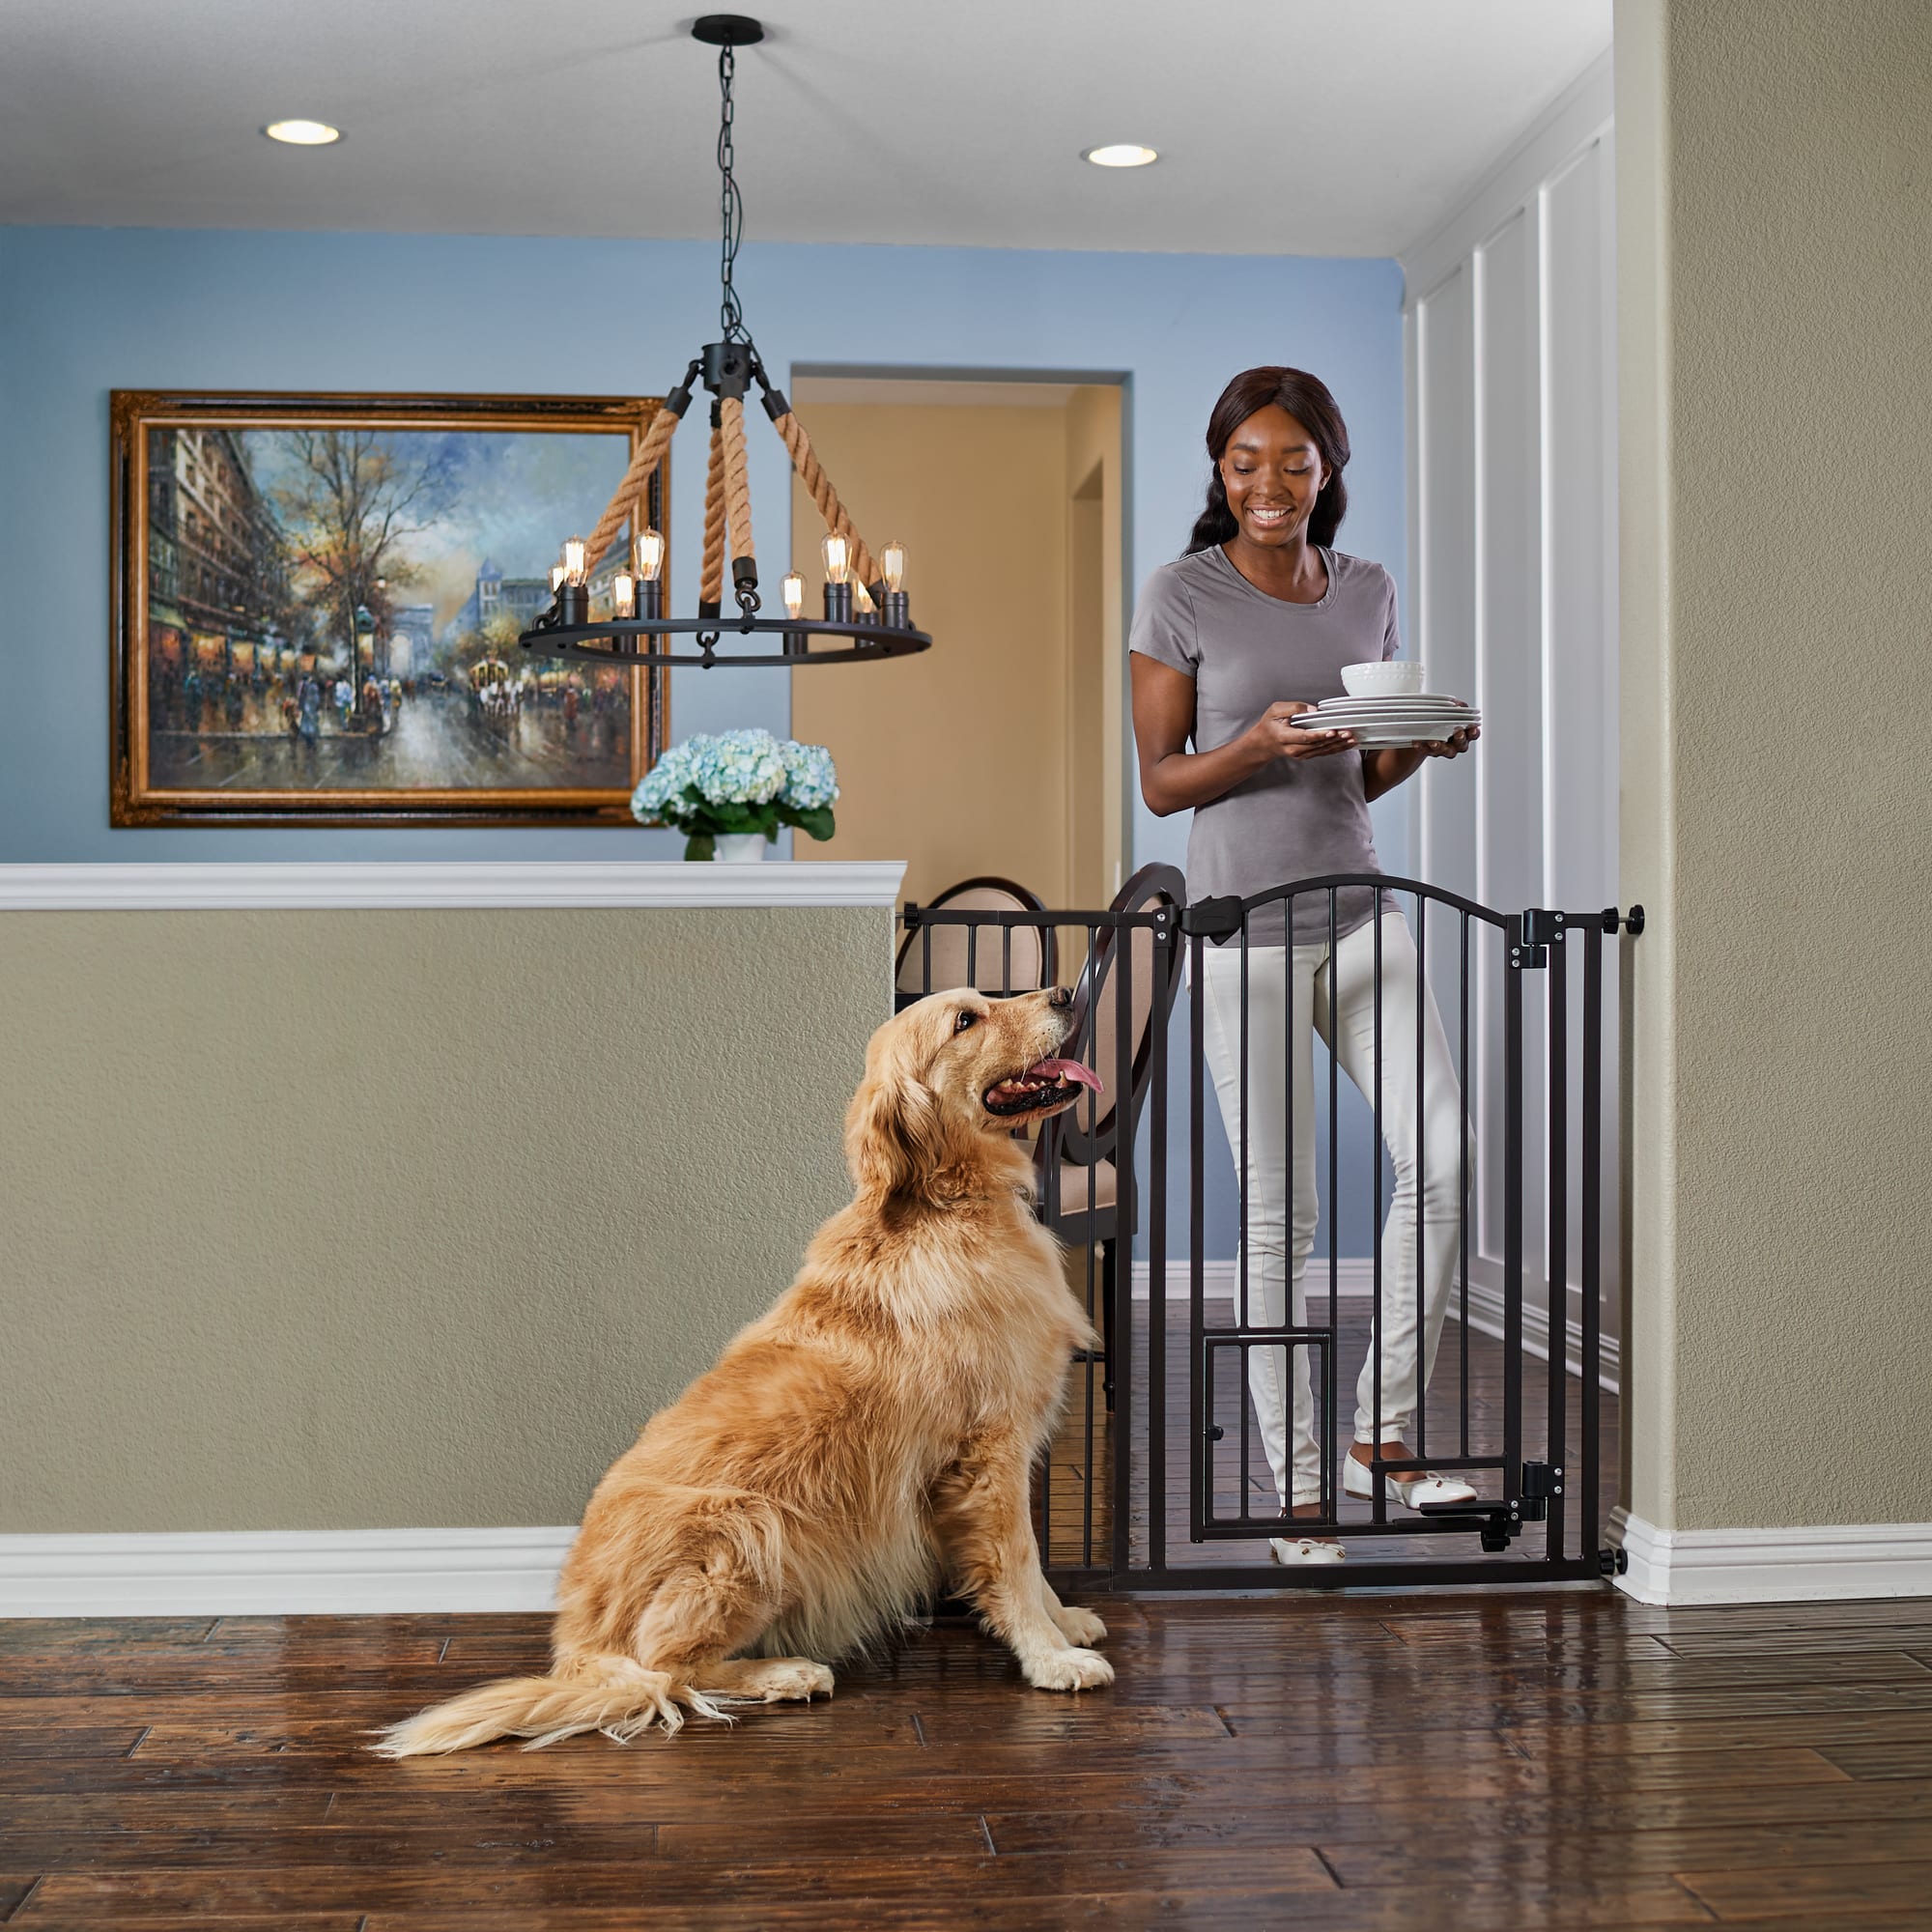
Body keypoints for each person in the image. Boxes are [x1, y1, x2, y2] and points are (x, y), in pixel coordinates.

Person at [1129, 366, 1481, 1567]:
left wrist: (1420, 744)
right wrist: (1252, 743)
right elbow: (1163, 780)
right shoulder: (1180, 591)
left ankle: (1378, 1437)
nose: (1268, 482)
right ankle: (1294, 1491)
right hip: (1242, 934)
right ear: (1218, 469)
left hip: (1361, 914)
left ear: (1326, 468)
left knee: (1439, 1157)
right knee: (1279, 1211)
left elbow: (1358, 774)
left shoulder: (1367, 589)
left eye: (1293, 461)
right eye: (1244, 461)